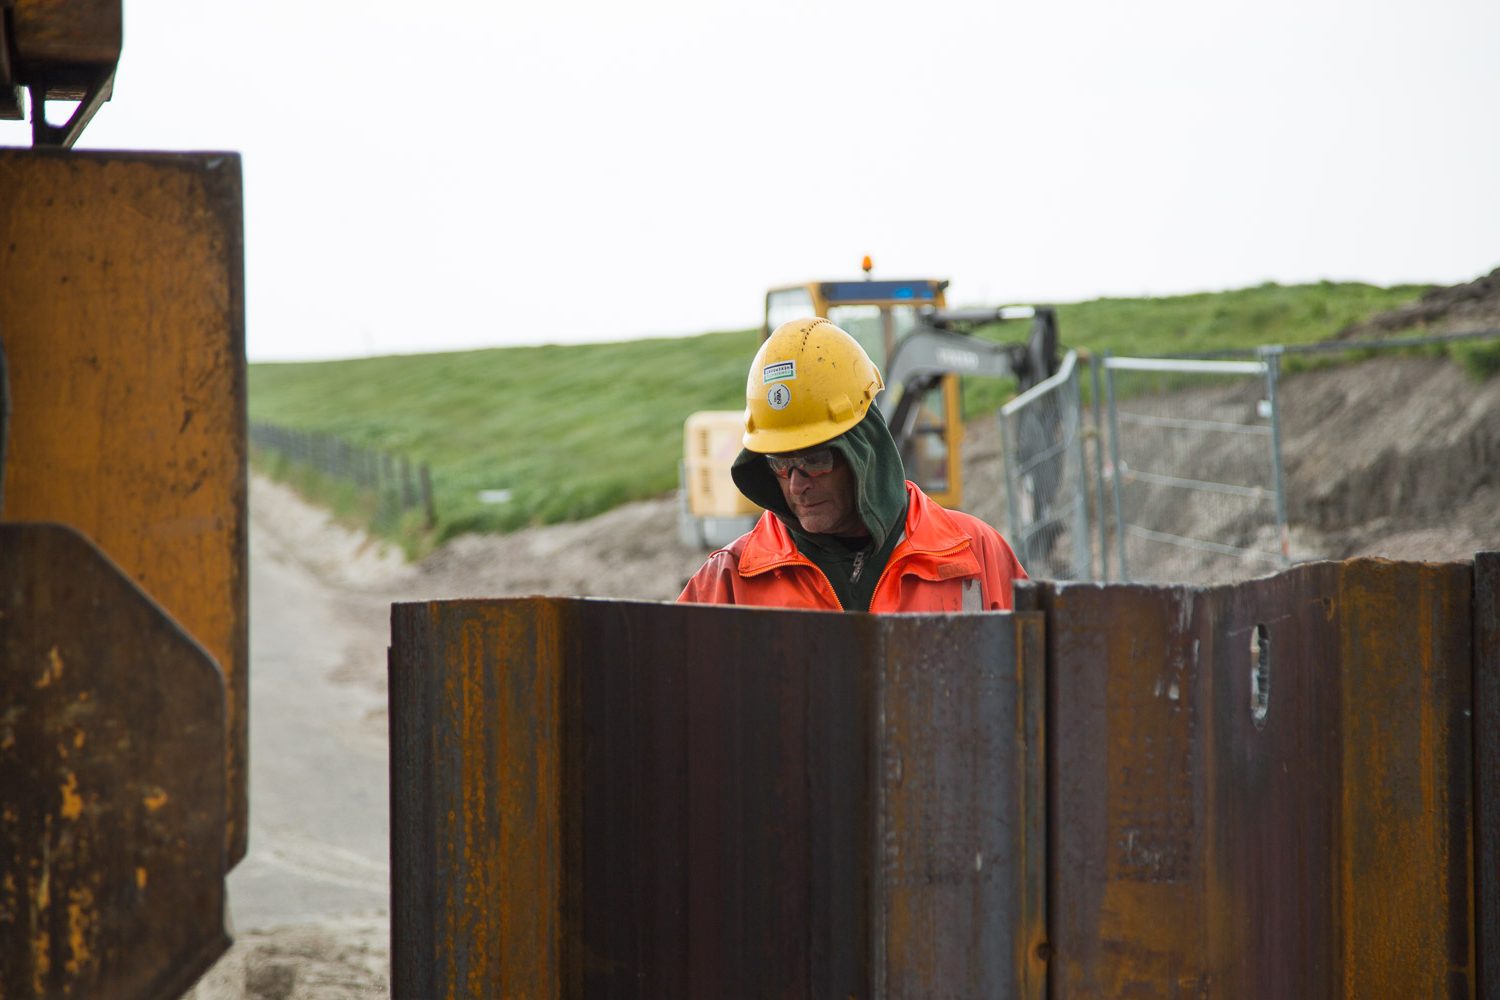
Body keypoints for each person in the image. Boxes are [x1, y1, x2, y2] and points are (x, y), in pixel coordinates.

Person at [678, 317, 1027, 612]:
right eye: (780, 463)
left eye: (815, 460)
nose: (797, 484)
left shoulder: (976, 554)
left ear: (863, 449)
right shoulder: (729, 582)